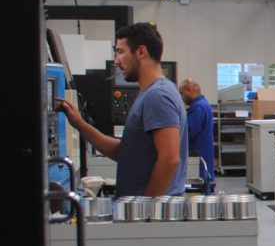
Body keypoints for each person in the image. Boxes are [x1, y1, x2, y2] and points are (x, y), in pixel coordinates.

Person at [58, 23, 187, 197]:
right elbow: (124, 152)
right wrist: (79, 124)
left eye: (120, 52)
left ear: (141, 51)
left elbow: (170, 159)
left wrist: (145, 207)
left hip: (148, 211)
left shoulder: (158, 96)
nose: (116, 61)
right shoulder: (149, 93)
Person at [180, 78, 216, 191]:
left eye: (182, 93)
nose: (181, 97)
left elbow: (190, 132)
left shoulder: (198, 107)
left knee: (198, 189)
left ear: (189, 90)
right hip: (203, 155)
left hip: (198, 156)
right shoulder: (204, 104)